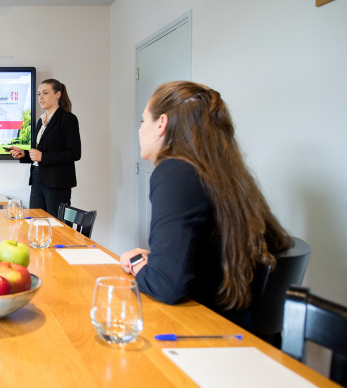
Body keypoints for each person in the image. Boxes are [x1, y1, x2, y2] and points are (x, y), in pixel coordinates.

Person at [119, 80, 291, 329]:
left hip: (206, 328)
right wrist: (157, 263)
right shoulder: (224, 173)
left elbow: (167, 286)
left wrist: (138, 265)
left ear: (161, 124)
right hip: (237, 325)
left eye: (143, 120)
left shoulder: (174, 172)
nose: (139, 129)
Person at [7, 78, 81, 218]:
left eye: (45, 93)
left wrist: (43, 157)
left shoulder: (68, 119)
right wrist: (24, 155)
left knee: (57, 226)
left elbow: (74, 153)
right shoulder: (41, 121)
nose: (40, 97)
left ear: (57, 95)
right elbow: (39, 153)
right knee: (36, 222)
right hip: (37, 178)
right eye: (39, 94)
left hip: (57, 181)